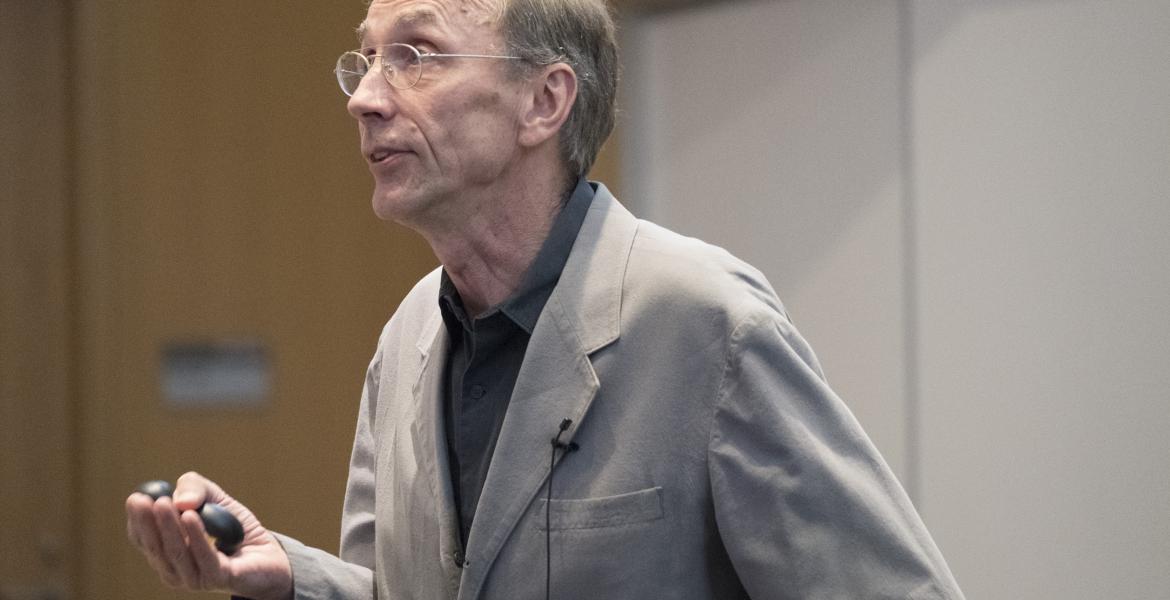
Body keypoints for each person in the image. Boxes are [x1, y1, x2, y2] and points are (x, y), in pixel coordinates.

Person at [125, 0, 965, 598]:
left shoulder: (705, 321)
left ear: (544, 101)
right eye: (368, 57)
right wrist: (290, 576)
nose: (366, 97)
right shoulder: (407, 338)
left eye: (415, 55)